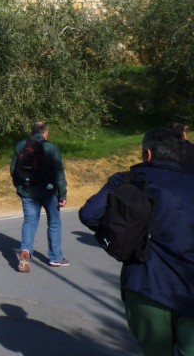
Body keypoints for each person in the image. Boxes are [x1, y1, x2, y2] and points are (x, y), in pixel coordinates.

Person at [79, 127, 194, 355]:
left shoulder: (131, 181)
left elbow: (89, 214)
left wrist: (114, 184)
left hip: (145, 285)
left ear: (148, 154)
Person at [10, 121, 68, 271]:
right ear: (46, 133)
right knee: (54, 223)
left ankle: (25, 251)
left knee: (29, 221)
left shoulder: (21, 145)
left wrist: (19, 187)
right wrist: (63, 194)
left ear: (32, 132)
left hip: (28, 191)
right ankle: (55, 257)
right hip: (49, 192)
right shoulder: (51, 147)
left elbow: (13, 169)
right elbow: (59, 173)